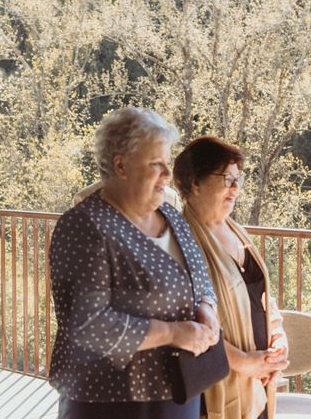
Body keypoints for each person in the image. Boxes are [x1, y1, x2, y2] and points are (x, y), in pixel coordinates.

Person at [49, 107, 220, 419]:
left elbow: (200, 276)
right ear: (121, 165)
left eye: (167, 164)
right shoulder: (85, 226)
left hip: (180, 390)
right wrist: (174, 333)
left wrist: (207, 307)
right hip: (112, 402)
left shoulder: (170, 216)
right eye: (157, 165)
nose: (168, 175)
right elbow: (88, 324)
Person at [173, 136, 288, 419]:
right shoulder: (180, 242)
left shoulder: (237, 230)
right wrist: (245, 363)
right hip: (217, 390)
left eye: (238, 179)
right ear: (194, 184)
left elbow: (261, 299)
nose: (235, 188)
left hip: (257, 386)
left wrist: (278, 340)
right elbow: (183, 322)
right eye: (227, 179)